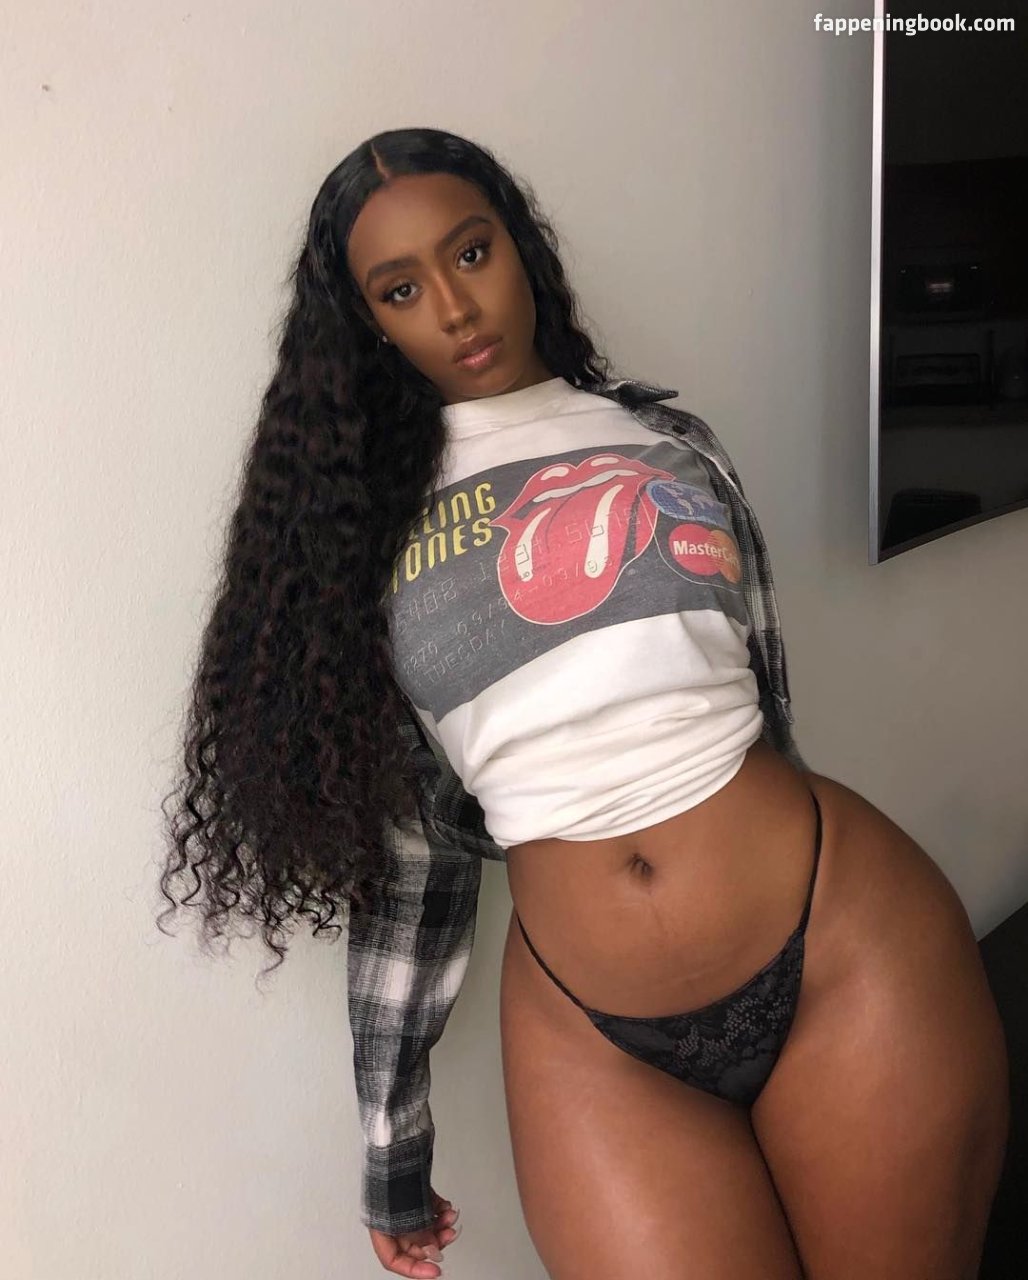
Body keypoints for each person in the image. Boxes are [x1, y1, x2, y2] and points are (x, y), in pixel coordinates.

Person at [159, 127, 1010, 1279]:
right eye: (401, 288)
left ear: (518, 245)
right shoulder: (353, 534)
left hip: (838, 947)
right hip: (593, 1035)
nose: (454, 307)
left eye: (471, 252)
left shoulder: (667, 442)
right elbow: (411, 860)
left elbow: (758, 707)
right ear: (368, 322)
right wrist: (391, 1141)